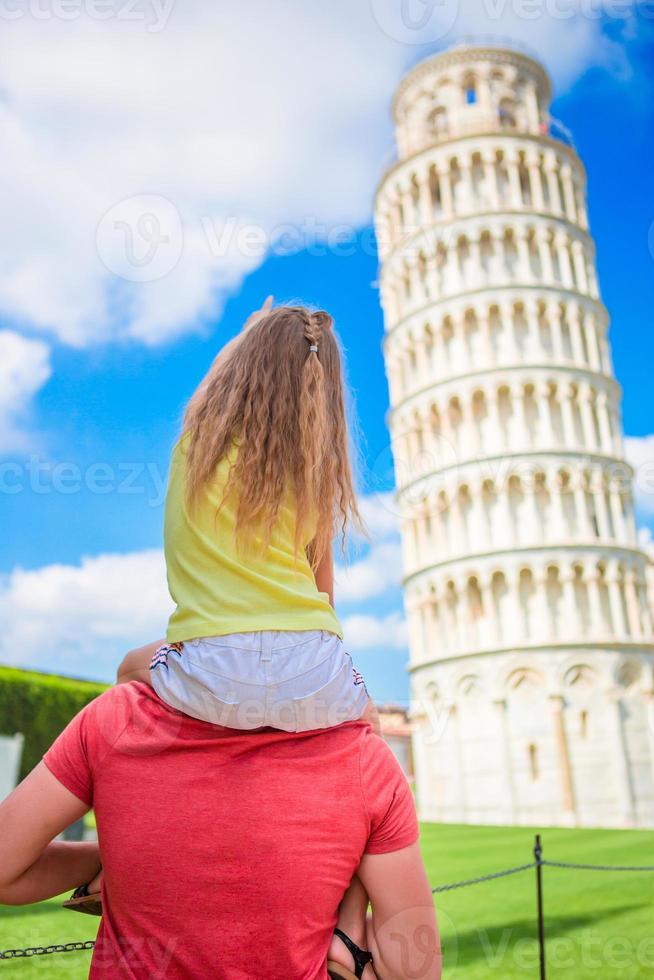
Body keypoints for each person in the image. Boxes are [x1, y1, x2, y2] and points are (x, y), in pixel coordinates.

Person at [0, 681, 442, 979]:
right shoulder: (362, 754)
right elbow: (414, 968)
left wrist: (131, 856)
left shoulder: (119, 717)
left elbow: (6, 868)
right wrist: (350, 907)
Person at [117, 299, 378, 737]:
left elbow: (208, 392)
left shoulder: (196, 448)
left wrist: (248, 331)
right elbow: (324, 595)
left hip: (212, 669)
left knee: (128, 668)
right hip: (312, 668)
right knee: (369, 723)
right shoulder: (316, 474)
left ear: (244, 371)